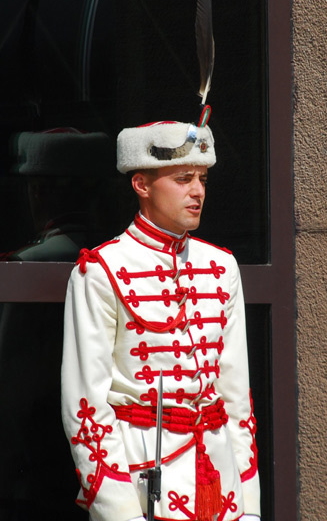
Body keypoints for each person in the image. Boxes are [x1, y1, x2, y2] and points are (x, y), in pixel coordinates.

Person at [61, 117, 261, 521]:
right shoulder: (101, 270)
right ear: (142, 185)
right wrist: (120, 512)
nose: (198, 191)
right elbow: (86, 407)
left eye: (202, 178)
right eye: (184, 178)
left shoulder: (222, 266)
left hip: (223, 489)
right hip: (141, 483)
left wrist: (250, 505)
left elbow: (236, 398)